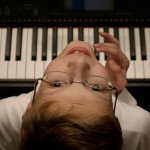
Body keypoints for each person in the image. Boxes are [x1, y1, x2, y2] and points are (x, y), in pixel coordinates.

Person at [0, 32, 150, 150]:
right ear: (115, 112)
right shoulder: (139, 127)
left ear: (29, 106)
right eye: (96, 87)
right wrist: (119, 90)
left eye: (57, 84)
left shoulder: (4, 115)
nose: (80, 61)